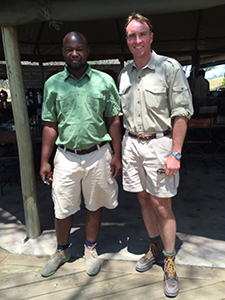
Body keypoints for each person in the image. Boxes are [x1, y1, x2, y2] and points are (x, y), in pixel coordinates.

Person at [118, 13, 193, 298]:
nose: (137, 40)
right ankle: (154, 246)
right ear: (127, 41)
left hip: (160, 144)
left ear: (151, 36)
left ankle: (170, 262)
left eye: (142, 34)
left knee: (163, 205)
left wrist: (176, 152)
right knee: (143, 197)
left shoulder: (168, 67)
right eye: (131, 36)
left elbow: (181, 112)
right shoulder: (124, 73)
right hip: (131, 144)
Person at [40, 31, 122, 277]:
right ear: (63, 52)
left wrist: (117, 154)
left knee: (94, 203)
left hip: (98, 154)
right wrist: (44, 159)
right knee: (62, 207)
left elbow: (114, 119)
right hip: (65, 156)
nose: (74, 54)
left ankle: (90, 248)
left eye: (79, 49)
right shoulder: (53, 84)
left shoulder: (104, 81)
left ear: (88, 51)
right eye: (68, 49)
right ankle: (62, 250)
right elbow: (49, 125)